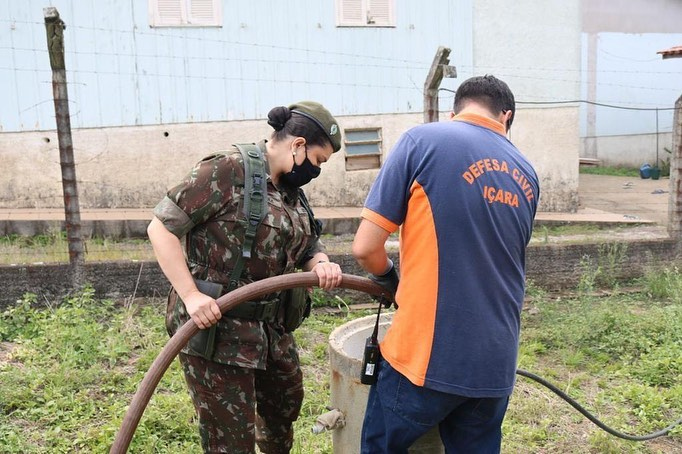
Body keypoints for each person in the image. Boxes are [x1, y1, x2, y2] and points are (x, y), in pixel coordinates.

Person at [352, 75, 540, 453]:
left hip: (424, 356)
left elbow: (365, 248)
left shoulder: (422, 141)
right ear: (507, 117)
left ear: (455, 111)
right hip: (496, 360)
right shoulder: (528, 173)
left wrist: (391, 278)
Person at [147, 101, 344, 453]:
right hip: (219, 333)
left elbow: (307, 244)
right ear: (298, 145)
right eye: (318, 160)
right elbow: (161, 229)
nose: (317, 170)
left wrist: (321, 263)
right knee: (230, 439)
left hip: (271, 330)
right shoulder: (226, 170)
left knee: (283, 412)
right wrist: (191, 296)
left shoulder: (291, 190)